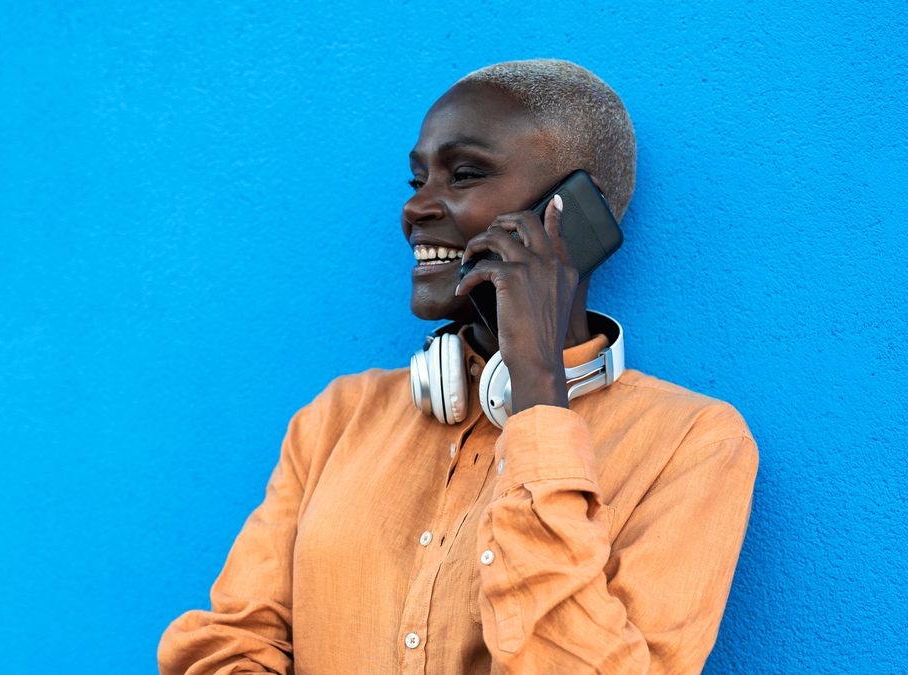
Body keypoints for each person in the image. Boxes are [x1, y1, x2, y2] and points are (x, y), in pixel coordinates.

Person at [157, 59, 758, 674]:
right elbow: (230, 642)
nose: (416, 209)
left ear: (573, 214)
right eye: (416, 180)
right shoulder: (337, 417)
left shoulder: (694, 443)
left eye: (464, 174)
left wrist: (539, 397)